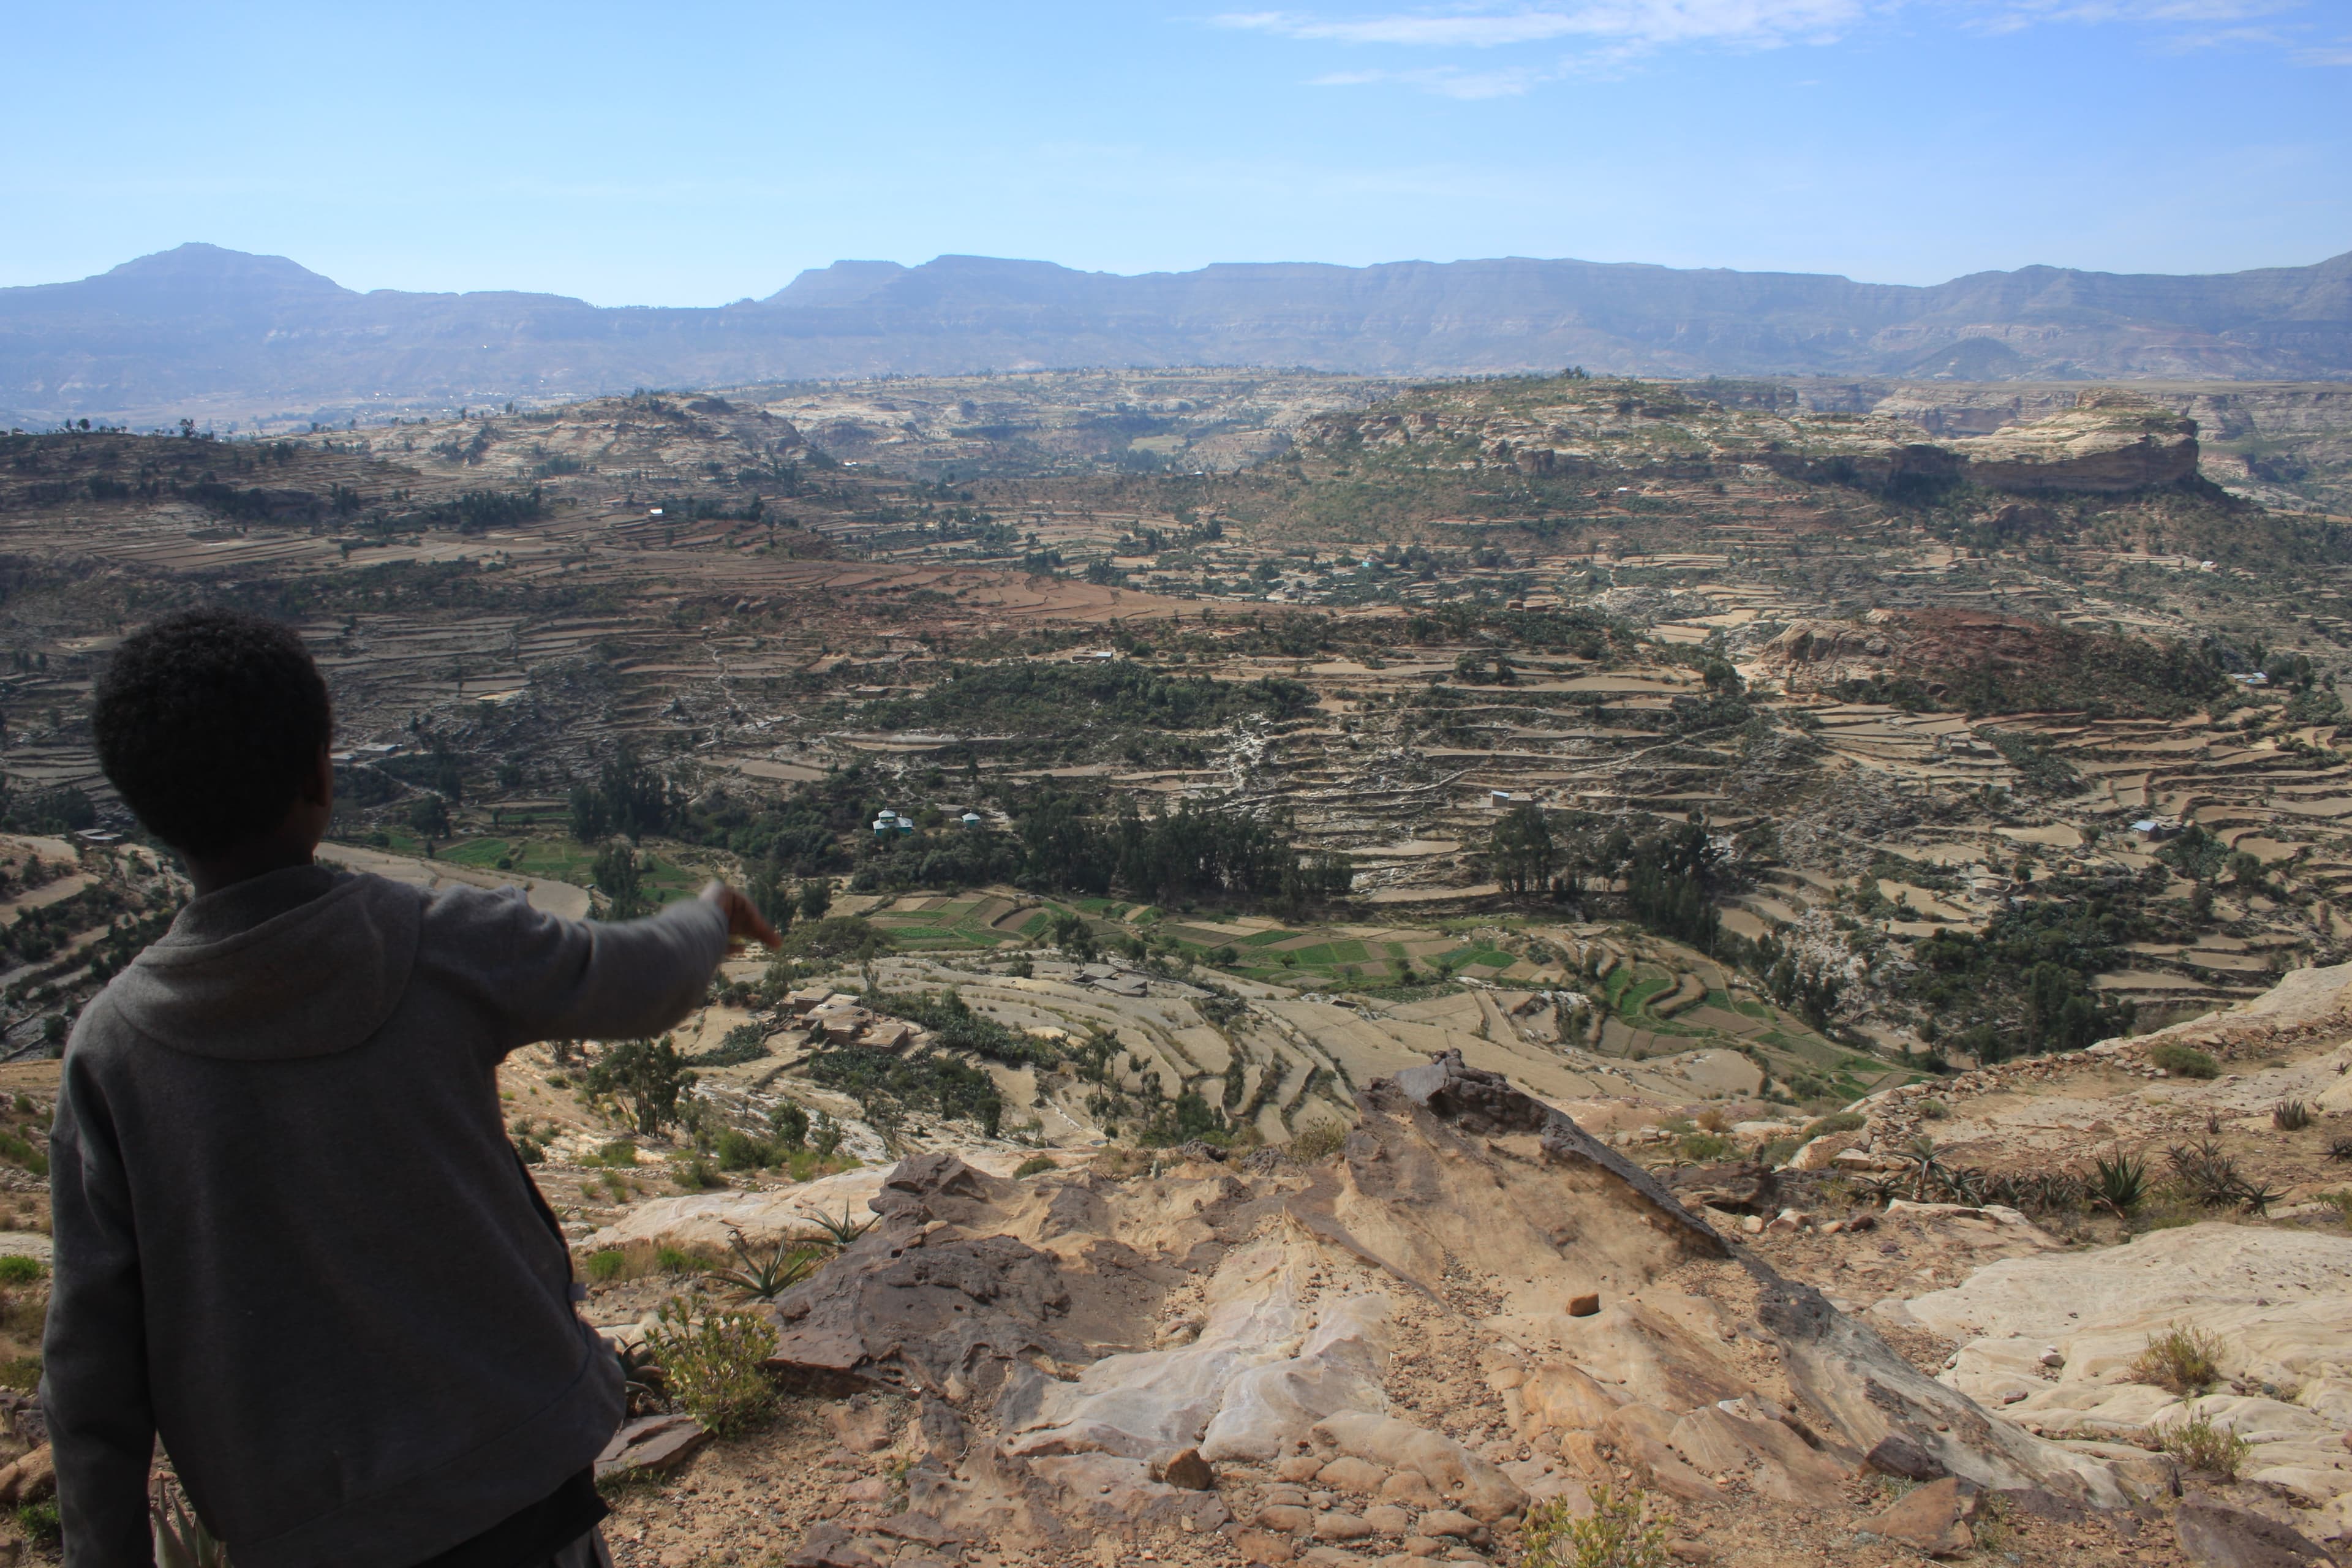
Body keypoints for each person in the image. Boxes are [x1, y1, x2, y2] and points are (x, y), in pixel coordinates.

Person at [47, 608, 778, 1567]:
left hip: (306, 1520)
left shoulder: (109, 1052)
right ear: (320, 773)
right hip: (517, 1463)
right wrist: (707, 918)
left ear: (147, 806)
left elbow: (91, 1368)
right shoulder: (440, 940)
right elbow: (634, 979)